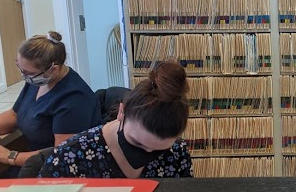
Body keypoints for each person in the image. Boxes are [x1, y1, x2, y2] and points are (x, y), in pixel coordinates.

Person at [39, 60, 192, 178]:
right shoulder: (69, 157)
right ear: (122, 111)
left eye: (159, 150)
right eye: (136, 143)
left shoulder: (176, 151)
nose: (147, 153)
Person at [0, 31, 101, 170]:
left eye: (28, 72)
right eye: (20, 68)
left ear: (53, 69)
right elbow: (14, 115)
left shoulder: (74, 99)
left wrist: (11, 156)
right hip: (33, 161)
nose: (24, 76)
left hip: (56, 169)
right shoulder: (38, 81)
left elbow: (62, 154)